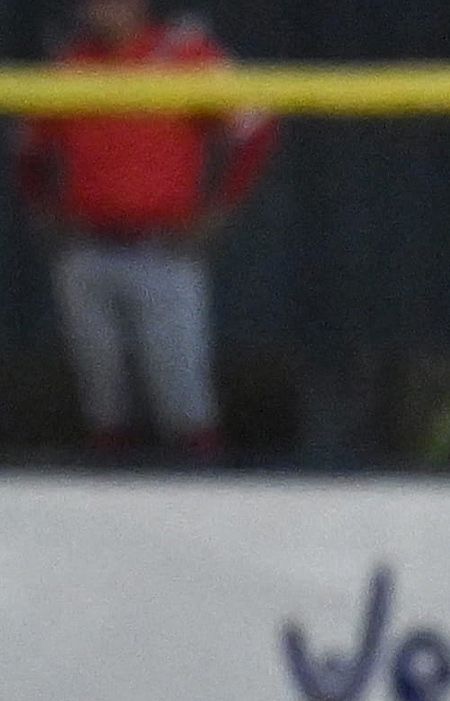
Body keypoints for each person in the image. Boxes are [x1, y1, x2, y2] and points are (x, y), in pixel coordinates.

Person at [12, 0, 277, 466]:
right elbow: (28, 147)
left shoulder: (184, 53)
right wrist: (42, 206)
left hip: (162, 248)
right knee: (104, 401)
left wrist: (220, 209)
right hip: (87, 246)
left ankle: (207, 508)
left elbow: (256, 127)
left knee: (182, 399)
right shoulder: (71, 63)